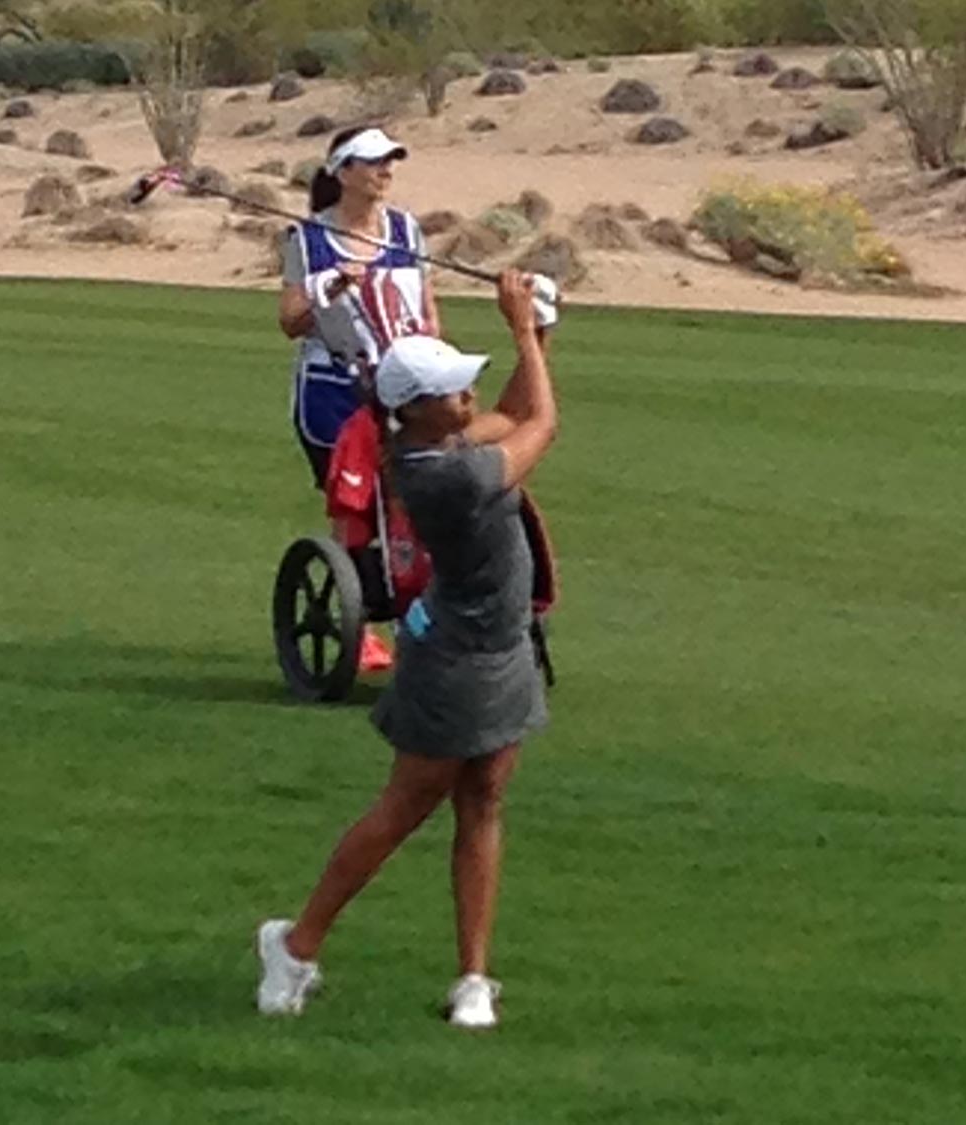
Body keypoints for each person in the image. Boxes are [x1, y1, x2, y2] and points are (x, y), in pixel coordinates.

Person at [254, 271, 559, 1031]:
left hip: (502, 647)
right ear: (414, 411)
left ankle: (474, 977)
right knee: (406, 807)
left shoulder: (441, 439)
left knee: (486, 798)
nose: (467, 400)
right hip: (453, 661)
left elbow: (515, 410)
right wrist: (522, 332)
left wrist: (539, 332)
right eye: (453, 392)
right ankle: (294, 945)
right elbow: (542, 426)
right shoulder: (444, 473)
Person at [278, 126, 440, 673]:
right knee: (355, 508)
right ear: (343, 172)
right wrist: (329, 288)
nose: (385, 170)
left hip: (403, 389)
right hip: (332, 394)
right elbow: (291, 323)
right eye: (373, 162)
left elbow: (426, 311)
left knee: (409, 502)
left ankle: (412, 615)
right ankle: (362, 627)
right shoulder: (307, 239)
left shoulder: (405, 230)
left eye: (390, 161)